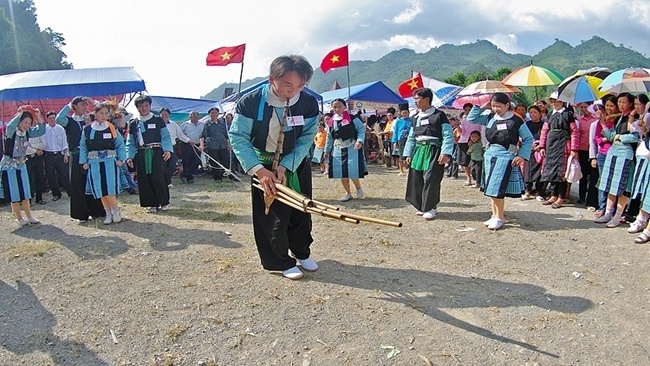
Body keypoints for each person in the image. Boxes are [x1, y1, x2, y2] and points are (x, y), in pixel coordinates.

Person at [229, 54, 320, 280]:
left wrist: (287, 165)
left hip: (294, 163)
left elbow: (307, 137)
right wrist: (259, 170)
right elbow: (238, 137)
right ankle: (279, 260)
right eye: (288, 84)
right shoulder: (250, 102)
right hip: (263, 165)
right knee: (270, 214)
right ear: (272, 79)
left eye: (300, 85)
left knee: (301, 207)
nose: (294, 90)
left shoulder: (308, 102)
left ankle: (301, 251)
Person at [467, 92, 534, 230]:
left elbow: (528, 139)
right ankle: (494, 214)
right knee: (490, 186)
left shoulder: (516, 120)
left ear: (507, 105)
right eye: (493, 106)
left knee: (496, 187)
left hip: (506, 155)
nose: (496, 109)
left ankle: (500, 217)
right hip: (490, 154)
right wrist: (483, 106)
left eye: (499, 106)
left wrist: (522, 155)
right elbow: (471, 118)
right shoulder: (490, 116)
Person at [402, 88, 454, 220]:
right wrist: (408, 153)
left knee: (431, 178)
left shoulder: (439, 115)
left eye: (417, 99)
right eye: (414, 99)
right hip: (419, 150)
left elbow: (448, 134)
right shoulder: (416, 117)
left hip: (433, 150)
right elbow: (411, 137)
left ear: (427, 99)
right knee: (417, 179)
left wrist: (446, 152)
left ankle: (431, 207)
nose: (415, 102)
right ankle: (422, 206)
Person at [56, 97, 106, 223]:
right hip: (76, 155)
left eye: (86, 105)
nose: (85, 107)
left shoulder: (89, 119)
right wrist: (68, 104)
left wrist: (92, 101)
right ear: (75, 106)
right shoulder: (70, 121)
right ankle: (81, 214)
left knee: (93, 182)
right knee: (78, 185)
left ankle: (97, 211)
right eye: (82, 105)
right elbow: (58, 118)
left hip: (90, 155)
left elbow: (104, 111)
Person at [79, 103, 128, 224]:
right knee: (99, 188)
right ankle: (107, 212)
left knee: (109, 188)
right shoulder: (87, 129)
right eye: (101, 113)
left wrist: (121, 159)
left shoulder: (112, 128)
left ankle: (115, 210)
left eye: (106, 113)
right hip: (94, 162)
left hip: (110, 162)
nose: (104, 116)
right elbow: (83, 146)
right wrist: (84, 161)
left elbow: (120, 144)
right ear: (95, 114)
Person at [595, 93, 639, 227]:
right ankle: (608, 212)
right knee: (611, 183)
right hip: (613, 151)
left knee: (623, 185)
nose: (620, 105)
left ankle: (618, 215)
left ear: (631, 104)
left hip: (626, 153)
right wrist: (603, 125)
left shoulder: (634, 118)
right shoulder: (620, 118)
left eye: (623, 102)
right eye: (619, 102)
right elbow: (612, 136)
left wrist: (620, 137)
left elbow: (635, 137)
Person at [125, 95, 173, 213]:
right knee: (144, 179)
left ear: (150, 106)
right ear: (137, 108)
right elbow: (130, 141)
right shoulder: (133, 123)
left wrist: (167, 150)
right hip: (141, 153)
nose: (144, 108)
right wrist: (129, 156)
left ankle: (164, 202)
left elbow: (165, 136)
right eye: (141, 106)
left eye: (146, 105)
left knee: (158, 177)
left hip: (157, 152)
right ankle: (152, 204)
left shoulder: (158, 120)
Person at [0, 107, 46, 226]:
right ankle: (19, 218)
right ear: (19, 121)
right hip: (9, 165)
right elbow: (10, 125)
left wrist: (38, 115)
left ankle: (29, 216)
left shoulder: (28, 132)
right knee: (14, 192)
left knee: (26, 191)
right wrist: (19, 114)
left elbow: (41, 130)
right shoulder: (11, 132)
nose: (27, 125)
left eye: (29, 123)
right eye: (25, 122)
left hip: (21, 164)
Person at [538, 92, 579, 209]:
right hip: (551, 146)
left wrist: (574, 149)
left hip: (564, 145)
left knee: (562, 172)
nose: (554, 103)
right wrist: (542, 146)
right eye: (552, 101)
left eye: (556, 100)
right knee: (552, 171)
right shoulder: (550, 115)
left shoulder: (568, 114)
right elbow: (544, 131)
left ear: (562, 101)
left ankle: (561, 196)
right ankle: (553, 195)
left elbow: (574, 132)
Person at [323, 98, 366, 202]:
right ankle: (347, 193)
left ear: (344, 107)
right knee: (342, 172)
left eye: (339, 106)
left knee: (352, 170)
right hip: (338, 147)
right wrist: (326, 150)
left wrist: (359, 141)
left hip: (352, 147)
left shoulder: (353, 119)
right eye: (335, 107)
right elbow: (329, 137)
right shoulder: (331, 121)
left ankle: (358, 188)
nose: (337, 109)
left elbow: (361, 130)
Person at [43, 111, 71, 202]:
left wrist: (66, 154)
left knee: (64, 174)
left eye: (53, 118)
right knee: (51, 175)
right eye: (50, 118)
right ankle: (56, 194)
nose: (52, 120)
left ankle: (70, 192)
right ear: (47, 119)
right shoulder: (44, 129)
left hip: (59, 155)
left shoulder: (60, 129)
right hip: (48, 155)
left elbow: (65, 143)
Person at [159, 107, 190, 188]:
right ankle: (167, 182)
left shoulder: (173, 124)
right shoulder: (157, 124)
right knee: (163, 166)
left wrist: (188, 141)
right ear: (160, 115)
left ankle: (166, 179)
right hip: (160, 148)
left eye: (166, 114)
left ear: (169, 115)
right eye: (163, 114)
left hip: (171, 147)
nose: (164, 116)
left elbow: (180, 134)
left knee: (172, 166)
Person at [576, 102, 599, 207]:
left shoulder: (595, 120)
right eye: (582, 107)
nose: (584, 109)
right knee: (583, 174)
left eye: (586, 107)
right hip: (582, 149)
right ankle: (581, 197)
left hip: (593, 150)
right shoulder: (579, 120)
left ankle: (591, 198)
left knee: (593, 174)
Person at [200, 107, 231, 182]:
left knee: (226, 160)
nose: (214, 114)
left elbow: (226, 135)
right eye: (212, 113)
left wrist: (228, 144)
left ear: (218, 114)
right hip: (212, 146)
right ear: (209, 114)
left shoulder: (222, 123)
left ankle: (230, 176)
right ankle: (217, 178)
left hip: (223, 145)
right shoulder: (207, 124)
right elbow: (202, 135)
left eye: (215, 113)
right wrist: (201, 145)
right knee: (214, 162)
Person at [521, 105, 545, 200]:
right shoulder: (526, 124)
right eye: (531, 112)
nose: (533, 114)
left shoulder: (544, 124)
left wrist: (540, 145)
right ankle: (527, 190)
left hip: (540, 150)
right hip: (529, 149)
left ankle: (538, 192)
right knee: (527, 171)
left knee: (540, 172)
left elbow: (546, 137)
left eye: (535, 112)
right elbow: (522, 136)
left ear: (540, 114)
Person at [457, 103, 484, 186]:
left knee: (476, 161)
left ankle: (477, 179)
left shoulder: (478, 119)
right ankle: (468, 179)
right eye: (466, 110)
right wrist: (458, 126)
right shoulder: (464, 120)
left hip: (476, 142)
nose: (468, 111)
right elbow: (462, 132)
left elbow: (480, 130)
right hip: (464, 141)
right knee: (465, 162)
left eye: (470, 109)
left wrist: (476, 140)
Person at [25, 120, 47, 205]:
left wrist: (33, 147)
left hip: (38, 157)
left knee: (40, 178)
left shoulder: (37, 131)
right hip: (28, 158)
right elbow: (25, 147)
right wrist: (35, 149)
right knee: (29, 179)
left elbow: (44, 144)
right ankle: (29, 200)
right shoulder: (24, 132)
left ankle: (39, 198)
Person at [179, 111, 204, 183]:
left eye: (194, 115)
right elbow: (180, 134)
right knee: (187, 162)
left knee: (197, 161)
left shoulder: (202, 124)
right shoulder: (185, 124)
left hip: (197, 145)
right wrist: (187, 140)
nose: (192, 116)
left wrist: (201, 144)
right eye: (190, 115)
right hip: (187, 145)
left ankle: (184, 174)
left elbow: (203, 135)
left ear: (198, 116)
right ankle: (189, 178)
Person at [391, 104, 413, 176]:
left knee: (410, 154)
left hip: (409, 139)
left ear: (409, 113)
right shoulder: (398, 121)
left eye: (406, 113)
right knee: (401, 155)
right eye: (403, 113)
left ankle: (409, 170)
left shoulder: (412, 120)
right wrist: (394, 141)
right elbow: (396, 131)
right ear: (401, 113)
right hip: (400, 139)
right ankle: (401, 170)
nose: (404, 114)